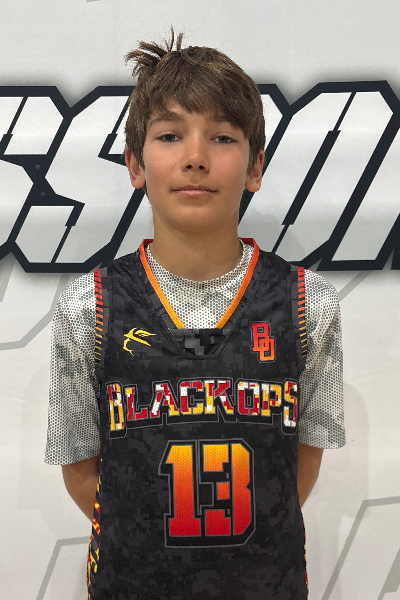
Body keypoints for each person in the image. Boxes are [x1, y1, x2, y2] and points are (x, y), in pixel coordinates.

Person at [45, 28, 345, 600]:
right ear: (135, 164)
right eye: (170, 135)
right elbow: (80, 468)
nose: (195, 158)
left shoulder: (309, 302)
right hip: (132, 583)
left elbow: (299, 466)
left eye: (223, 137)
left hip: (265, 582)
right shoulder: (88, 305)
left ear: (255, 167)